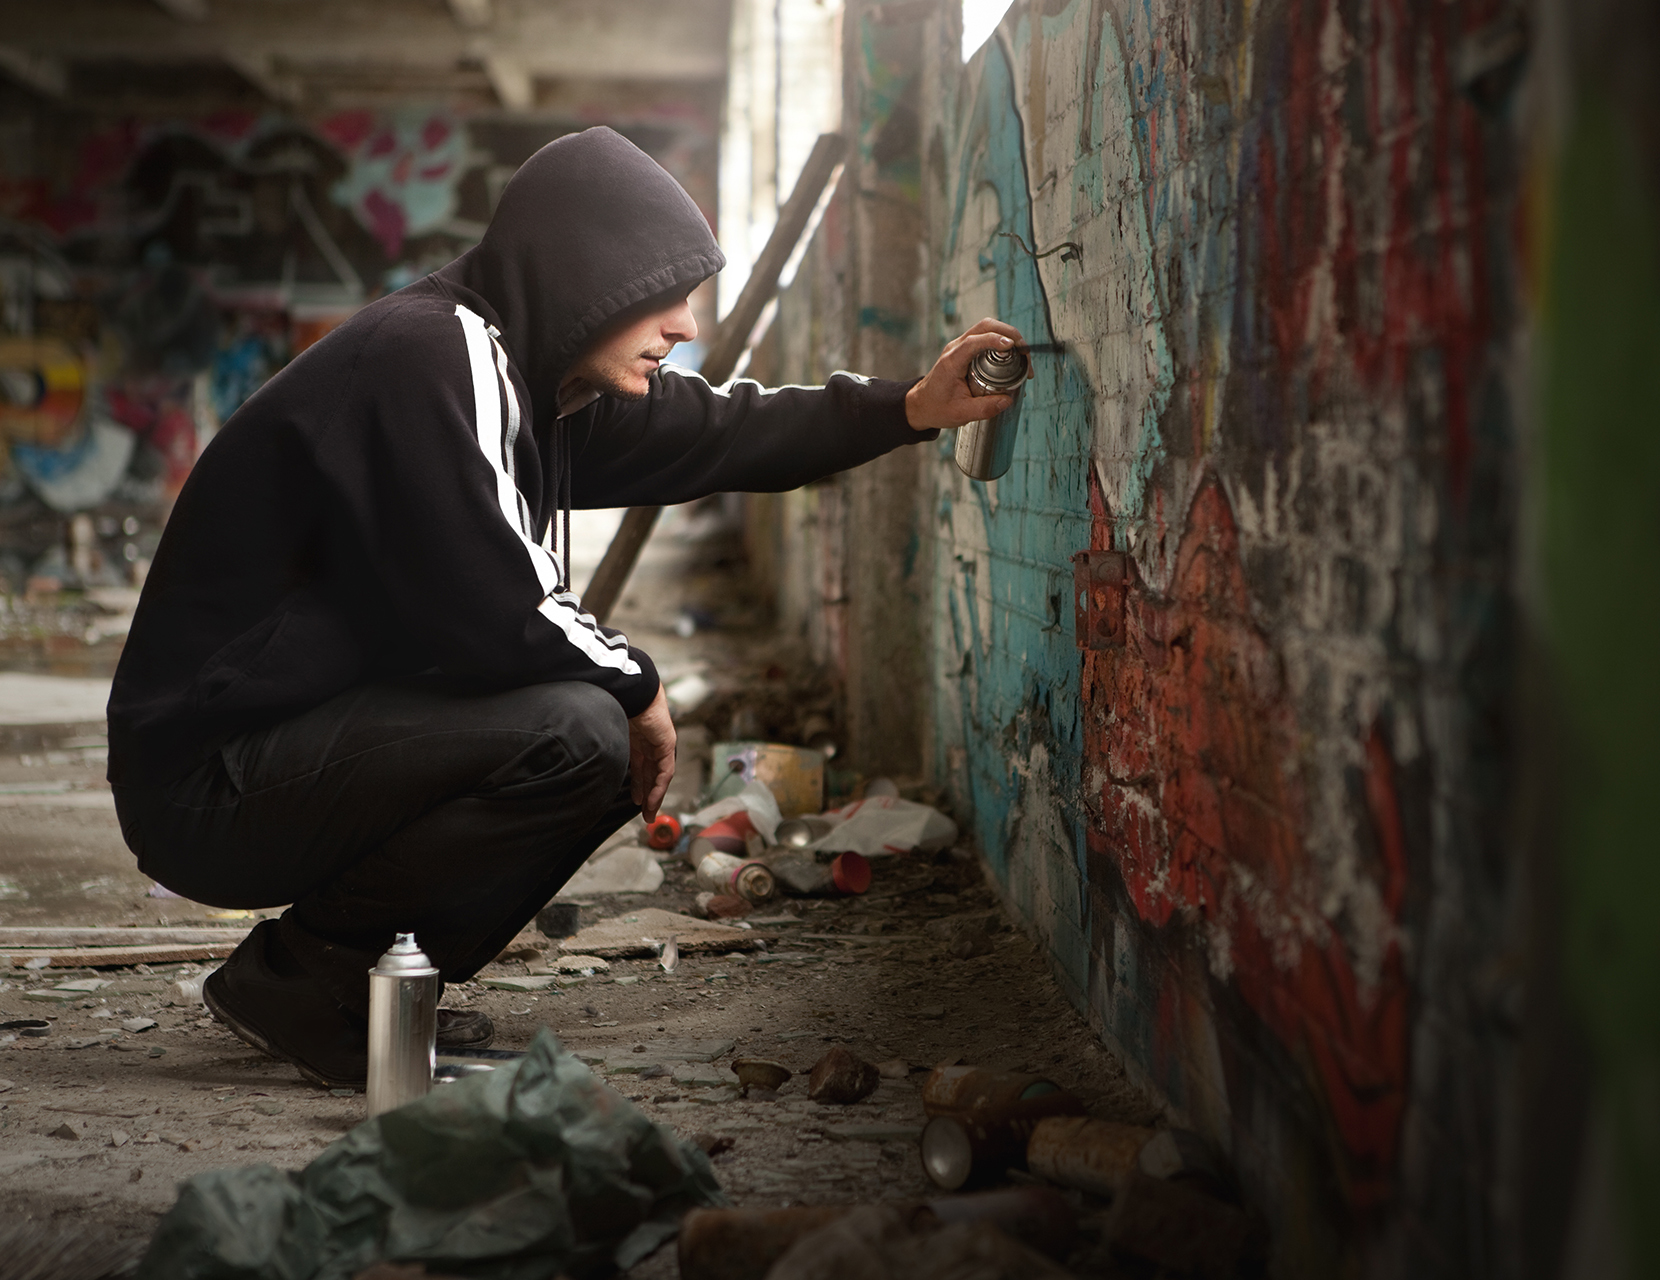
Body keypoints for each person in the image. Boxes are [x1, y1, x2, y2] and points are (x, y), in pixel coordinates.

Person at [106, 127, 1020, 1089]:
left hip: (281, 749)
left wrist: (908, 407)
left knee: (585, 724)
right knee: (581, 729)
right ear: (587, 276)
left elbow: (718, 431)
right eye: (663, 294)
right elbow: (490, 600)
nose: (683, 327)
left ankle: (377, 989)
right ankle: (307, 981)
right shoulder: (433, 354)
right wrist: (638, 682)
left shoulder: (539, 381)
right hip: (209, 778)